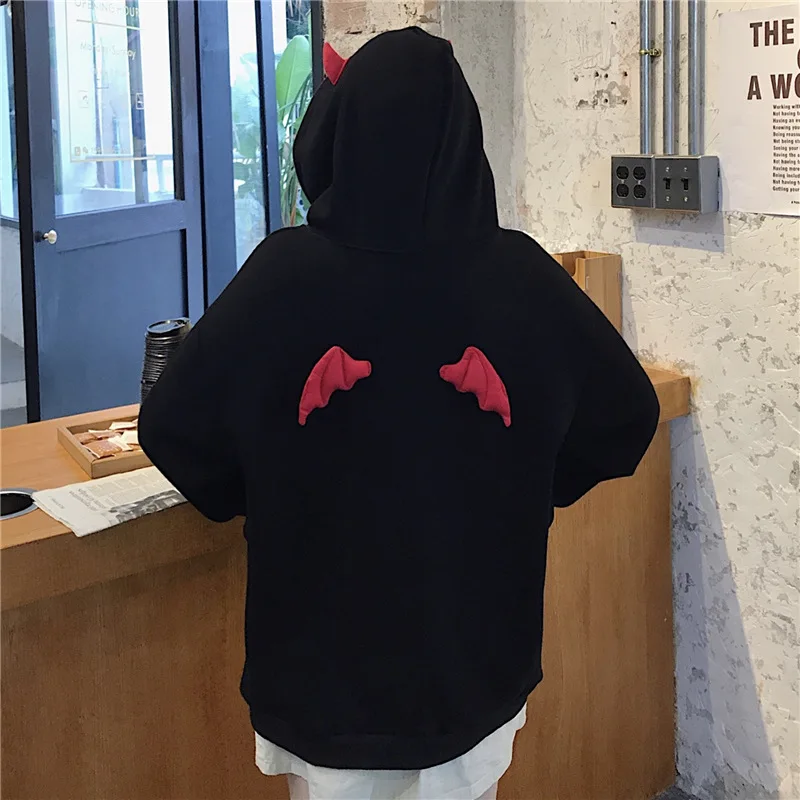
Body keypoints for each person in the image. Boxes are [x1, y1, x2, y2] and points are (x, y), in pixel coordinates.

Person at [138, 26, 660, 800]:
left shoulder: (283, 277)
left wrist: (262, 489)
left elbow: (171, 429)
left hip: (320, 676)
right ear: (465, 141)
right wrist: (529, 481)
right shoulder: (521, 277)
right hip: (474, 663)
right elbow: (627, 417)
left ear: (340, 131)